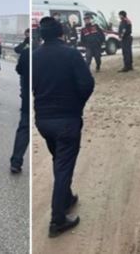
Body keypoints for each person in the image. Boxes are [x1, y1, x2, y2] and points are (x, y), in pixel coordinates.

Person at [33, 17, 94, 238]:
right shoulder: (71, 54)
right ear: (61, 34)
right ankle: (57, 220)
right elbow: (87, 84)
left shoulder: (34, 56)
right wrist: (77, 105)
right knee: (63, 167)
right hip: (67, 120)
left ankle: (66, 198)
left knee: (59, 160)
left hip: (43, 121)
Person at [9, 29, 30, 173]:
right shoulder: (63, 54)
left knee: (24, 128)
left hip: (29, 98)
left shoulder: (27, 52)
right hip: (48, 100)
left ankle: (16, 162)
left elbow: (19, 69)